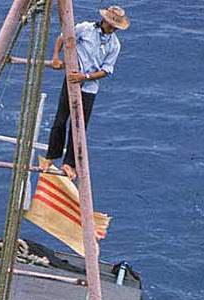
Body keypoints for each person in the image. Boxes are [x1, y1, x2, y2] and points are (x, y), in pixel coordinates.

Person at [41, 6, 130, 179]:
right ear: (104, 20)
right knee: (60, 119)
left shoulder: (114, 45)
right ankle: (50, 157)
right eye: (111, 24)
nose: (112, 28)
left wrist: (86, 76)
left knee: (79, 126)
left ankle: (69, 163)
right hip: (72, 81)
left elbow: (106, 70)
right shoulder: (85, 28)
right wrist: (56, 57)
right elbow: (63, 38)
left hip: (89, 87)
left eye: (115, 26)